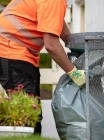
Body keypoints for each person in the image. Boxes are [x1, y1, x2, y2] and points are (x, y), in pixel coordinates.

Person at [0, 0, 85, 135]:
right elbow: (51, 45)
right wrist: (74, 73)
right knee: (28, 118)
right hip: (11, 52)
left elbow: (56, 23)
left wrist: (78, 47)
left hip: (15, 52)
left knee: (30, 113)